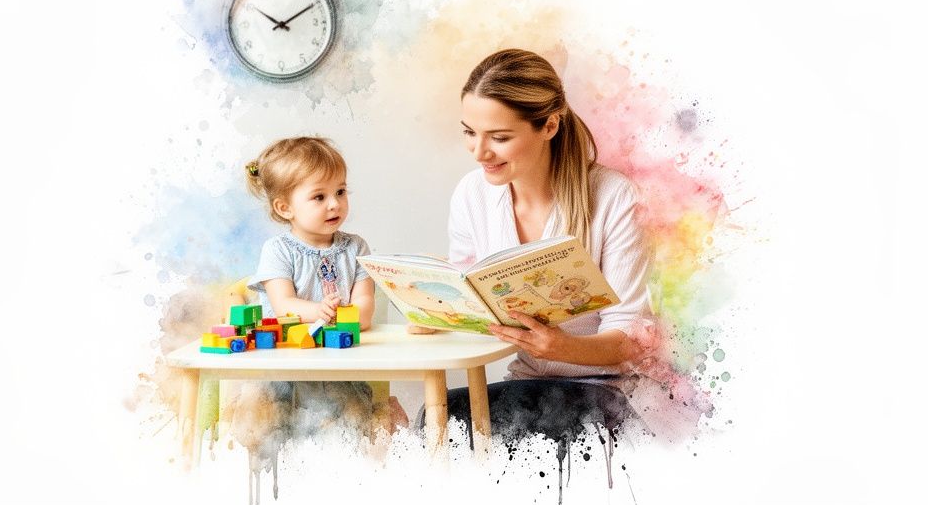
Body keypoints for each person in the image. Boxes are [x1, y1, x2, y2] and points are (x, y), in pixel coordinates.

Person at [419, 49, 669, 445]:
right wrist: (441, 314)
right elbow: (472, 299)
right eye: (469, 131)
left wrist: (561, 345)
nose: (479, 152)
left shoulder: (613, 196)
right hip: (528, 382)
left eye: (499, 137)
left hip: (608, 390)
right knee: (439, 419)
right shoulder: (472, 194)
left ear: (549, 125)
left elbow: (630, 340)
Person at [244, 136, 404, 440]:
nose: (335, 204)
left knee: (348, 430)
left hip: (340, 366)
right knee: (280, 433)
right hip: (287, 368)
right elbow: (283, 305)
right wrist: (318, 311)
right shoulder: (278, 250)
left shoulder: (356, 247)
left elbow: (364, 309)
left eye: (341, 191)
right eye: (319, 197)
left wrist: (347, 317)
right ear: (285, 207)